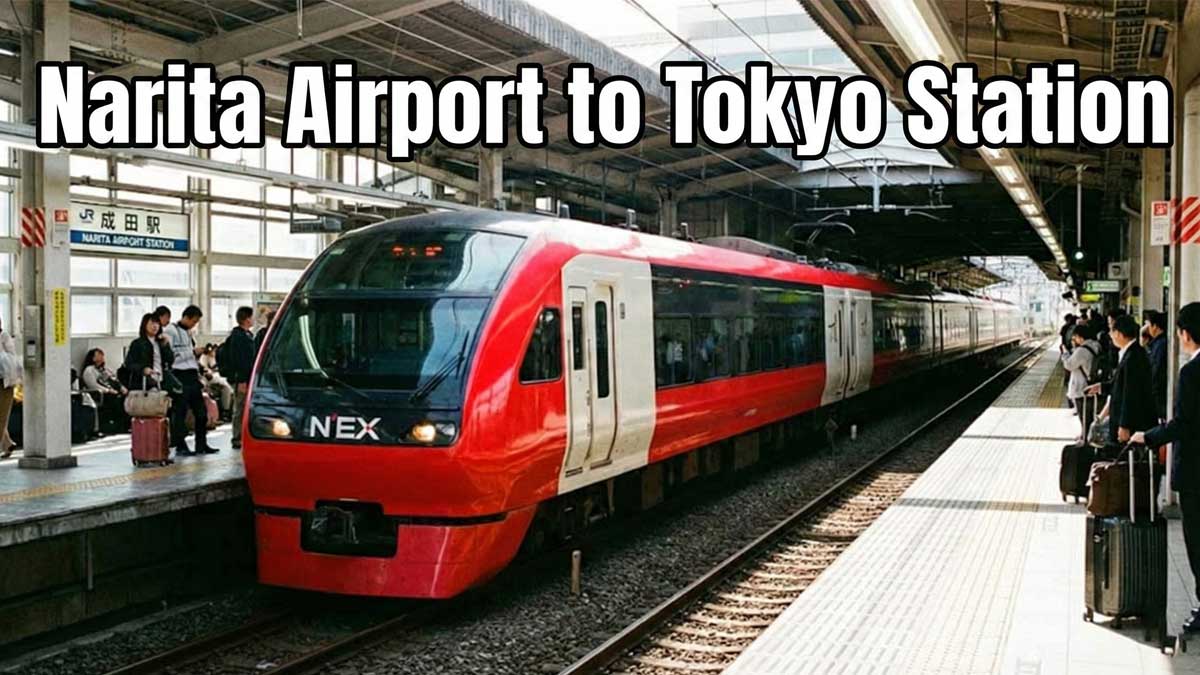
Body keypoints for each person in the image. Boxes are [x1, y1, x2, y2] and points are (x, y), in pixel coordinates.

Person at [1132, 302, 1200, 634]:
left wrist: (1149, 437)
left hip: (1196, 474)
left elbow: (1184, 424)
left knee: (1197, 540)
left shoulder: (1191, 373)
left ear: (1186, 334)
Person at [1089, 314, 1156, 447]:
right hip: (1127, 421)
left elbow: (1130, 393)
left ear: (1119, 333)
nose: (1110, 335)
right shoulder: (1131, 353)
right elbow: (1121, 384)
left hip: (1132, 423)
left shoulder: (1133, 357)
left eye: (1111, 331)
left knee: (1127, 460)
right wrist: (1101, 387)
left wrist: (1125, 425)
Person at [162, 305, 214, 455]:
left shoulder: (189, 333)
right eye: (194, 321)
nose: (195, 324)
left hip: (192, 375)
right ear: (187, 317)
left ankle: (201, 444)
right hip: (179, 375)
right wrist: (191, 352)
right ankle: (180, 445)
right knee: (180, 412)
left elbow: (190, 355)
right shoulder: (170, 331)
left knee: (201, 413)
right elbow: (171, 355)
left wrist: (199, 355)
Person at [222, 307, 258, 450]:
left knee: (243, 407)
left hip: (247, 377)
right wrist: (242, 380)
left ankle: (242, 435)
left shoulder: (247, 334)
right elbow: (239, 359)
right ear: (247, 318)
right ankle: (237, 437)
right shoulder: (238, 336)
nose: (254, 319)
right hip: (241, 379)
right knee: (240, 407)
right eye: (252, 317)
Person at [1062, 324, 1100, 441]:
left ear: (1080, 337)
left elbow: (1069, 365)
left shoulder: (1082, 350)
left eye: (1075, 338)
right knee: (1089, 414)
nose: (1074, 340)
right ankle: (1086, 435)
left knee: (1084, 415)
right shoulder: (1095, 345)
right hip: (1091, 384)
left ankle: (1085, 438)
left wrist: (1065, 353)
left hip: (1081, 387)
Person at [81, 348, 128, 434]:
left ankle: (125, 425)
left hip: (113, 390)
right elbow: (93, 385)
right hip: (101, 394)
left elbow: (114, 379)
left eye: (102, 354)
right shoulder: (89, 370)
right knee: (115, 400)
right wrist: (108, 390)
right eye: (98, 355)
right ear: (93, 358)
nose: (101, 357)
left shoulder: (105, 369)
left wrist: (122, 387)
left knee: (125, 397)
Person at [123, 313, 174, 390]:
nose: (155, 326)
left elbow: (170, 360)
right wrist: (143, 369)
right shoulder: (138, 343)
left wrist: (166, 346)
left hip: (161, 381)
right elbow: (129, 364)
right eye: (152, 323)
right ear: (145, 325)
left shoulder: (161, 342)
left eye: (157, 323)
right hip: (144, 383)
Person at [0, 317, 22, 458]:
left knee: (1, 417)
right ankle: (7, 443)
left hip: (4, 382)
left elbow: (12, 357)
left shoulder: (4, 335)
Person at [198, 344, 233, 420]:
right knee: (226, 387)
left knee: (226, 388)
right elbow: (207, 373)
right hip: (209, 381)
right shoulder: (204, 358)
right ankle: (225, 411)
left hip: (215, 379)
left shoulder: (213, 358)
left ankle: (227, 410)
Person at [1146, 310, 1170, 421]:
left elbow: (1156, 371)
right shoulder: (1157, 343)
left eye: (1148, 325)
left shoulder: (1160, 345)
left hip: (1159, 396)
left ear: (1155, 326)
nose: (1147, 328)